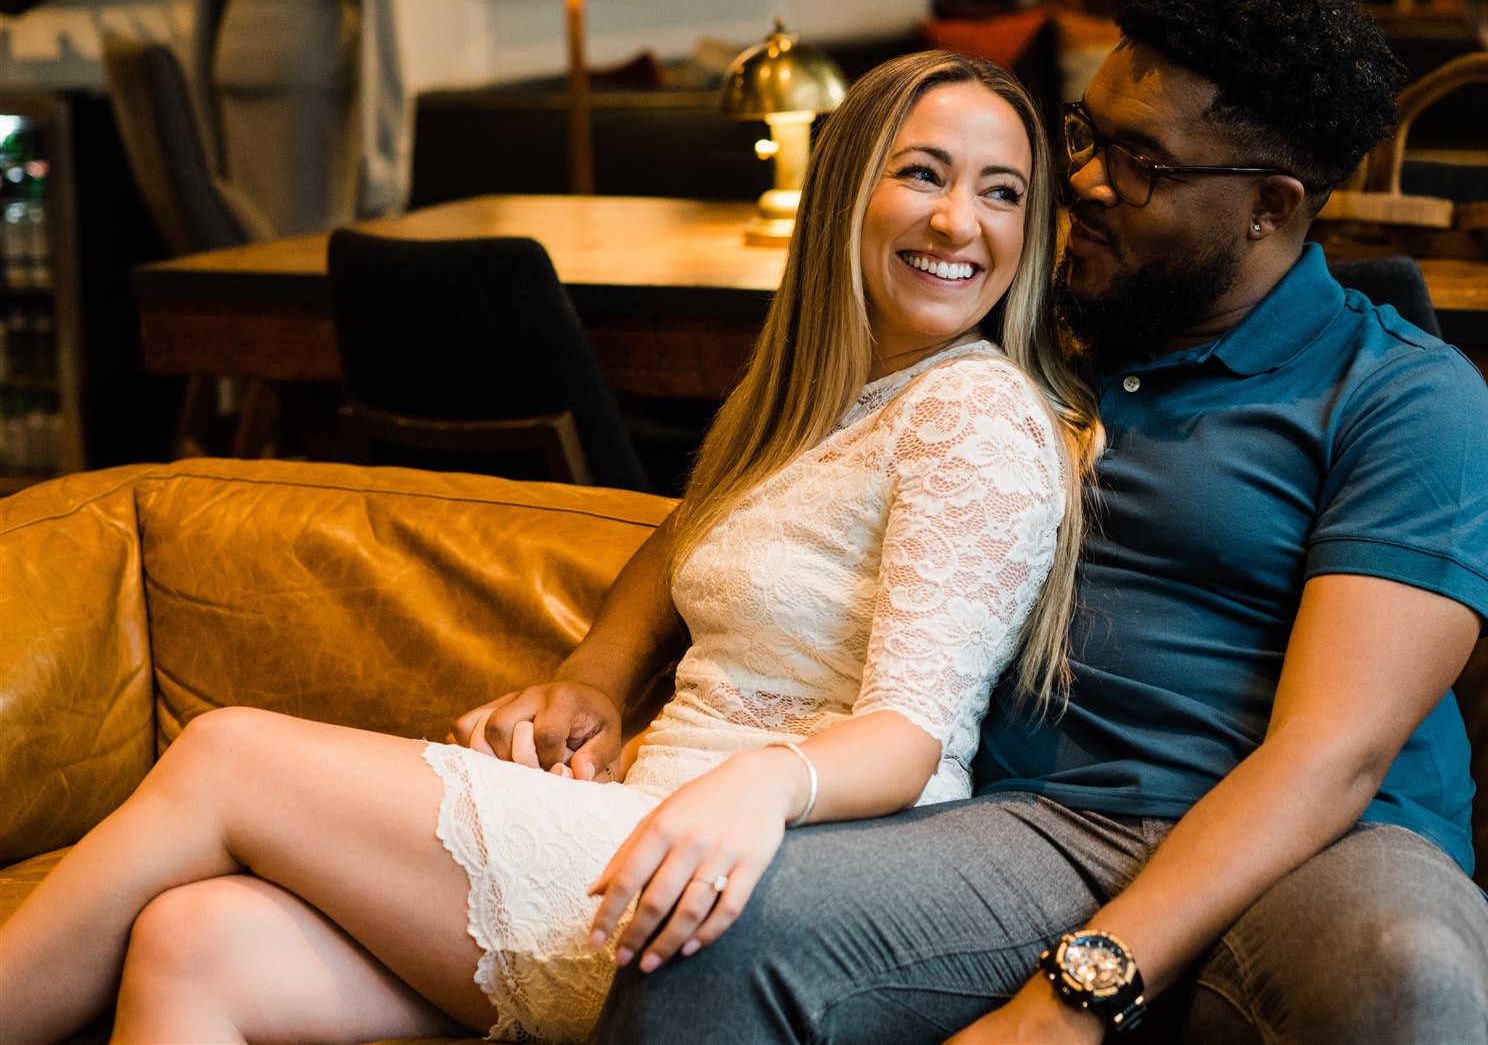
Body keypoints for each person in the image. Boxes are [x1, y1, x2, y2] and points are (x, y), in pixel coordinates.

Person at [0, 51, 1097, 1045]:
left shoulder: (971, 414)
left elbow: (912, 737)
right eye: (922, 174)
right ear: (845, 190)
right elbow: (689, 534)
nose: (960, 222)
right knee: (193, 938)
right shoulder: (820, 403)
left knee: (227, 753)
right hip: (643, 817)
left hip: (756, 874)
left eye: (999, 192)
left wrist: (762, 785)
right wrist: (593, 678)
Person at [596, 0, 1488, 1045]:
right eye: (1084, 131)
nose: (1079, 179)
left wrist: (1075, 994)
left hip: (1324, 850)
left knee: (1402, 981)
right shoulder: (1021, 330)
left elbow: (1333, 756)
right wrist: (596, 676)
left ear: (1268, 208)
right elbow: (760, 488)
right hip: (1036, 826)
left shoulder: (1401, 397)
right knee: (709, 940)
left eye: (1139, 161)